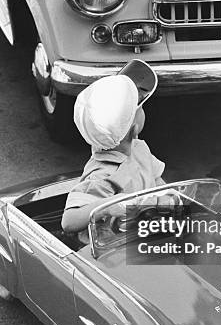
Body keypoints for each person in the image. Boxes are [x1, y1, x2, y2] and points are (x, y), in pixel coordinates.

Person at [61, 73, 166, 237]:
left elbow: (158, 182)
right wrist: (108, 205)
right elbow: (69, 221)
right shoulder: (101, 176)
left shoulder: (140, 149)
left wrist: (168, 198)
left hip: (146, 235)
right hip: (113, 251)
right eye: (140, 107)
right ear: (135, 129)